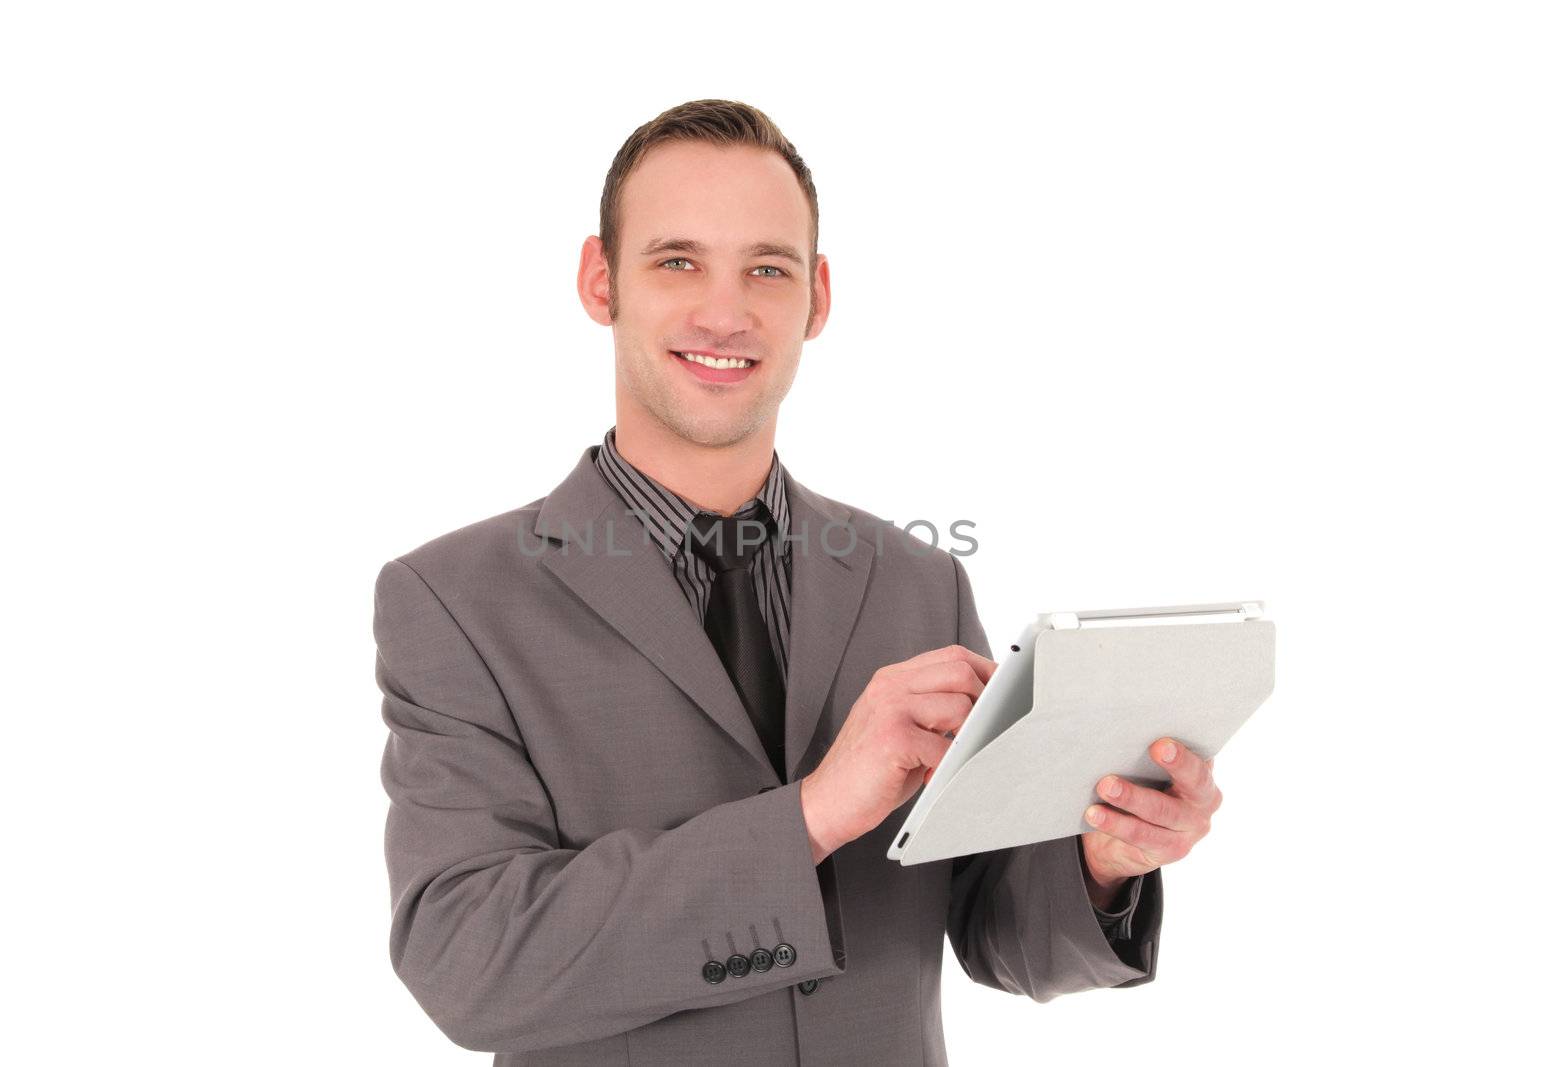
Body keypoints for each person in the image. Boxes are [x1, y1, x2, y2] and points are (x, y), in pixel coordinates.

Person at [373, 99, 1223, 1065]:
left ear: (817, 297)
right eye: (677, 260)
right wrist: (814, 813)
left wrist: (1103, 860)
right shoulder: (456, 600)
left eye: (767, 269)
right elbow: (470, 963)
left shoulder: (918, 584)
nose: (726, 312)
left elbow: (998, 931)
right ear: (600, 280)